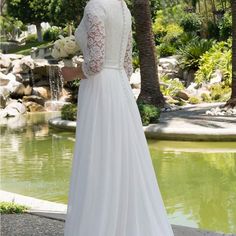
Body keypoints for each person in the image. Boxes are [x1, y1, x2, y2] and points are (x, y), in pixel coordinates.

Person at [62, 0, 174, 235]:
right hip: (119, 89)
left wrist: (69, 72)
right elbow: (126, 65)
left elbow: (95, 64)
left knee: (98, 159)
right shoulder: (123, 7)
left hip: (99, 90)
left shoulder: (94, 7)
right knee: (123, 158)